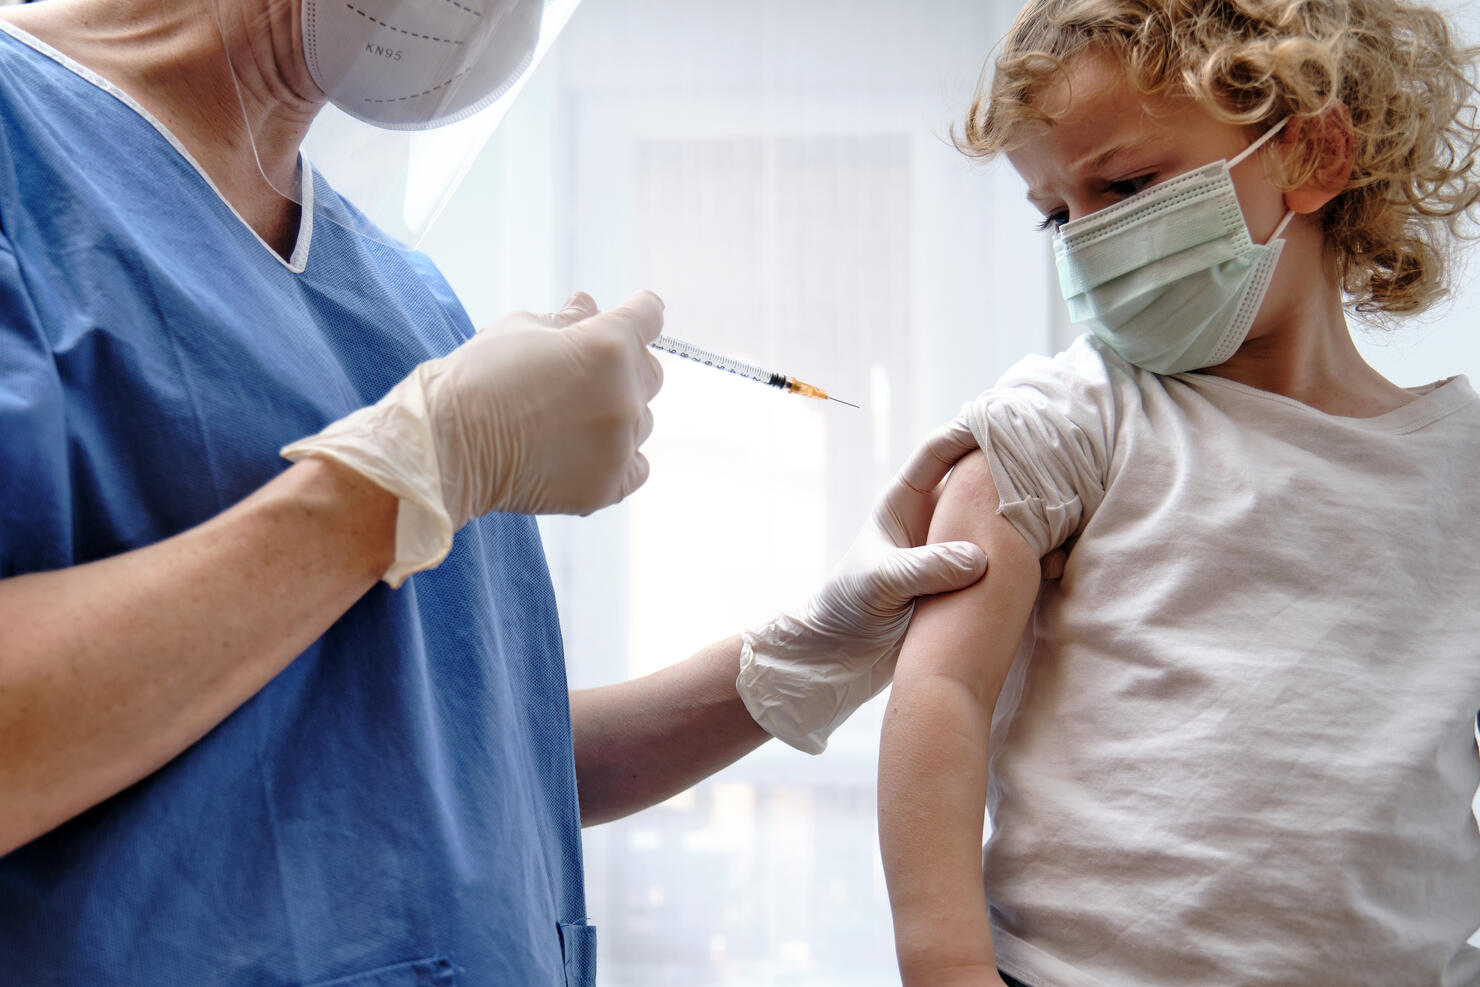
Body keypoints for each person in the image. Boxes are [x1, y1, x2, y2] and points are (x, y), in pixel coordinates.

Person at [0, 0, 993, 982]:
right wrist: (403, 478)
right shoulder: (24, 153)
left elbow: (458, 769)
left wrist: (785, 668)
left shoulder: (404, 294)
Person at [876, 1, 1480, 984]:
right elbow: (939, 687)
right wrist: (946, 966)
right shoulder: (1066, 419)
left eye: (1123, 185)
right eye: (1056, 214)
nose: (1086, 244)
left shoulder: (1463, 468)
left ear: (1314, 153)